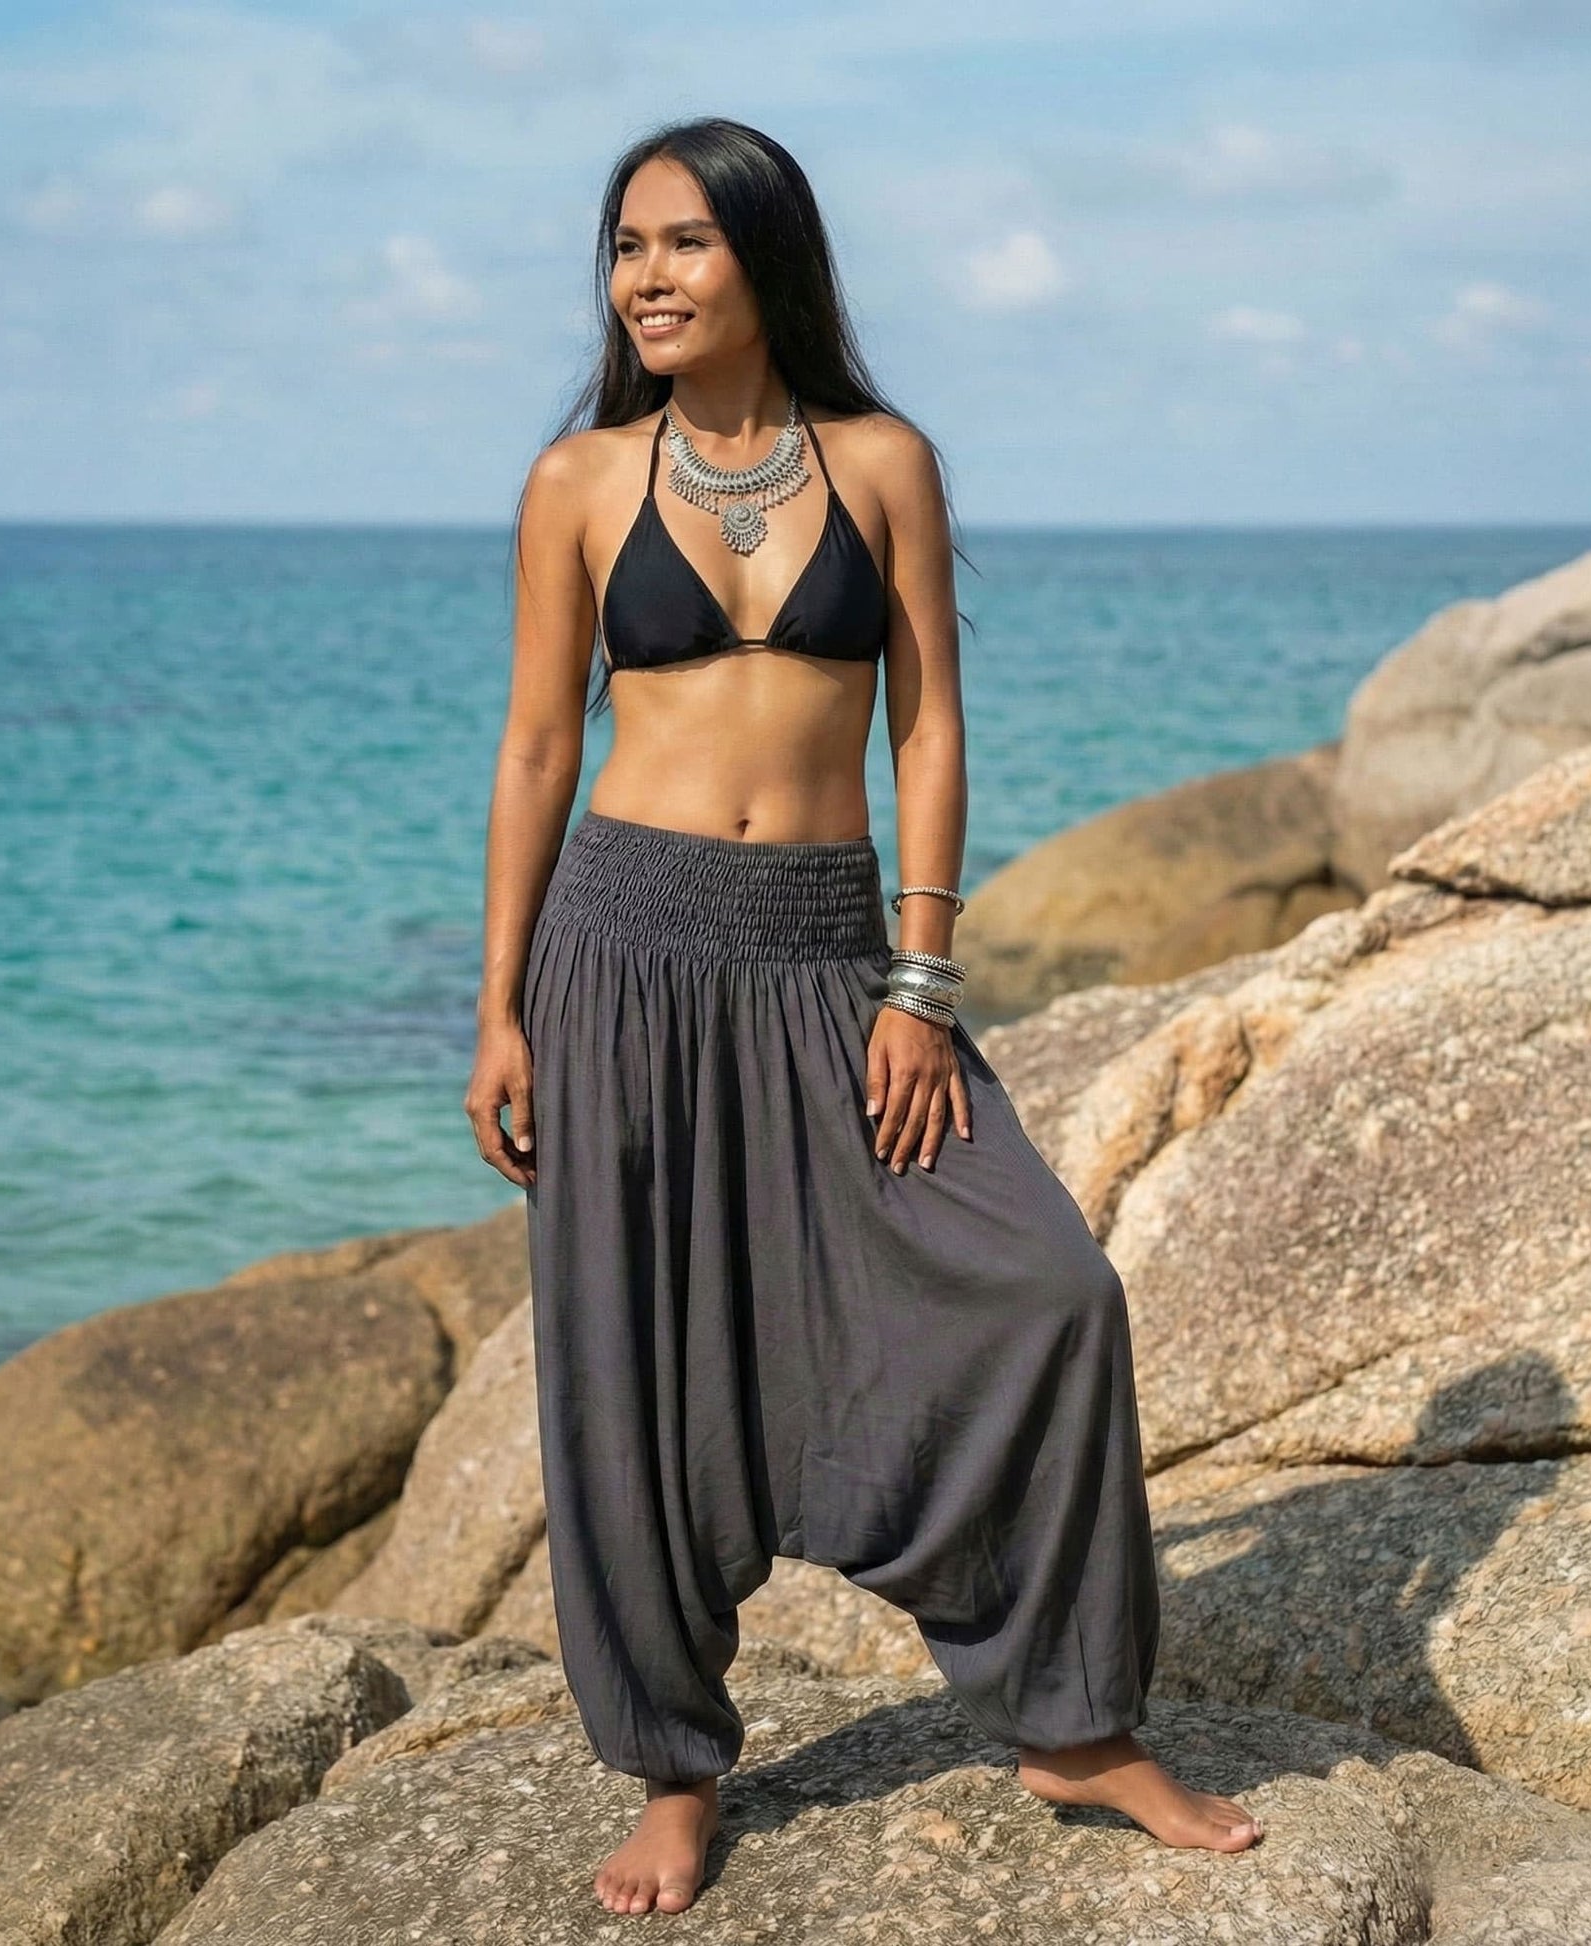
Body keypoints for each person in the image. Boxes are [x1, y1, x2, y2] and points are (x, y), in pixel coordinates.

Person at [467, 116, 1264, 1920]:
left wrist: (917, 976)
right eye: (624, 247)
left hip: (831, 951)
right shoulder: (577, 481)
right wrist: (498, 1004)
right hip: (623, 948)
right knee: (636, 1360)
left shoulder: (883, 461)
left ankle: (1071, 1721)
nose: (646, 277)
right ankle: (674, 1767)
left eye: (683, 242)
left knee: (1049, 1289)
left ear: (767, 258)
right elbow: (535, 746)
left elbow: (928, 727)